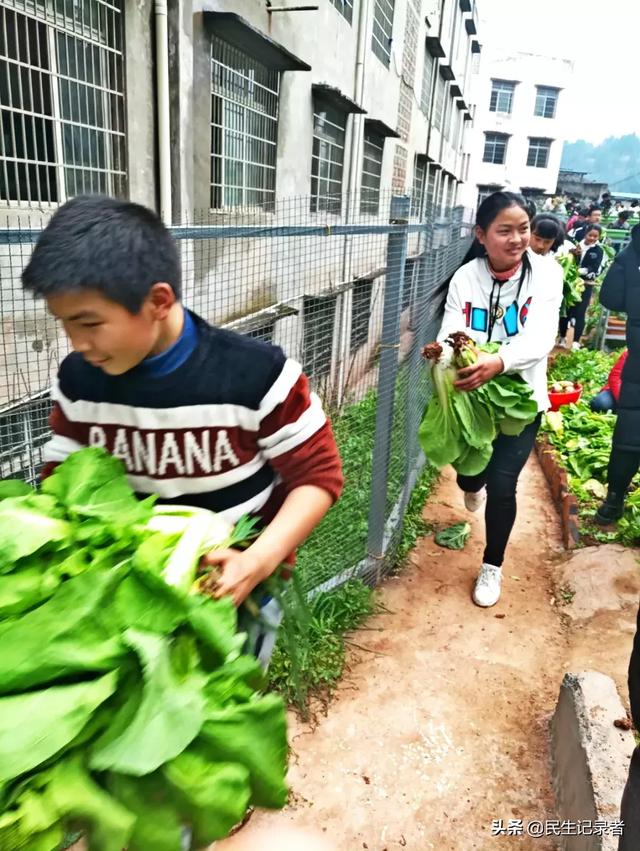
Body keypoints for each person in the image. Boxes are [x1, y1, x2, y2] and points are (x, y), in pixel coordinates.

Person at [21, 196, 344, 666]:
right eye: (66, 324)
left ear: (158, 301)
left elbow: (319, 477)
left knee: (230, 698)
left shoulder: (257, 375)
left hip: (238, 592)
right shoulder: (79, 382)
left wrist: (258, 561)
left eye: (89, 323)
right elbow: (62, 484)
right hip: (130, 599)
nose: (77, 343)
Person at [436, 191, 563, 608]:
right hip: (472, 401)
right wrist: (448, 353)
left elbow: (542, 337)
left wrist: (499, 360)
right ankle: (473, 486)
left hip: (521, 401)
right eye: (504, 230)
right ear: (481, 234)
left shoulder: (547, 274)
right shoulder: (465, 278)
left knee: (505, 483)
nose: (517, 238)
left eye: (523, 229)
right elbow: (451, 328)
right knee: (470, 476)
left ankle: (492, 564)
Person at [558, 224, 606, 350]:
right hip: (570, 284)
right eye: (590, 235)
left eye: (596, 236)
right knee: (565, 312)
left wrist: (580, 271)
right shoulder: (575, 246)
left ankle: (575, 341)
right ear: (586, 234)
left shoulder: (598, 251)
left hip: (585, 285)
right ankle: (562, 337)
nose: (592, 238)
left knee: (580, 312)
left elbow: (595, 268)